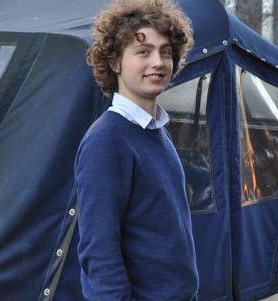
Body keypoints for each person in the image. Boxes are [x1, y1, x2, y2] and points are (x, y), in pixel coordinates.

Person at [74, 0, 198, 300]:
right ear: (115, 62)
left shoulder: (156, 132)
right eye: (143, 51)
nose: (157, 61)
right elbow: (99, 253)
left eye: (165, 52)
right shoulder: (106, 141)